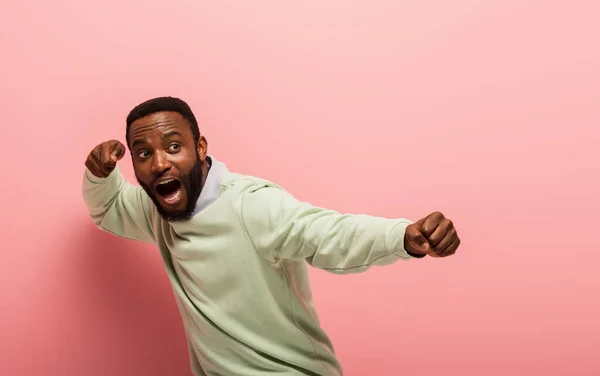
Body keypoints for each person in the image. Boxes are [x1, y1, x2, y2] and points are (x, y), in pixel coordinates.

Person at [82, 96, 461, 376]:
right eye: (143, 153)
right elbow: (109, 208)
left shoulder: (252, 207)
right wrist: (100, 173)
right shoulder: (157, 212)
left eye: (174, 146)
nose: (159, 162)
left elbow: (327, 234)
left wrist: (403, 236)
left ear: (200, 149)